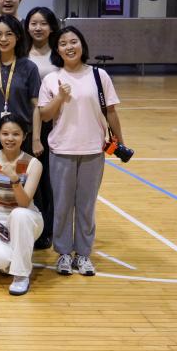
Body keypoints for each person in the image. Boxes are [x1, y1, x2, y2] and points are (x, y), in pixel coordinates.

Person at [38, 26, 125, 277]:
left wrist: (120, 142)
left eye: (73, 41)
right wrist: (59, 97)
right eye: (63, 43)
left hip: (93, 150)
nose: (69, 47)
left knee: (86, 206)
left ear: (82, 45)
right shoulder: (51, 79)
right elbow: (45, 115)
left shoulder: (99, 75)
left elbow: (111, 111)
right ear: (57, 50)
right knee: (63, 205)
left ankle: (84, 254)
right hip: (61, 150)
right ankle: (64, 253)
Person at [0, 14, 42, 239]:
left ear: (18, 37)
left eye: (8, 34)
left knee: (21, 181)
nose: (3, 39)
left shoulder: (29, 67)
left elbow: (36, 106)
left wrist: (36, 138)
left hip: (19, 135)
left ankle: (24, 228)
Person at [0, 114, 43, 296]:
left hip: (27, 218)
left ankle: (21, 276)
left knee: (18, 214)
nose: (10, 138)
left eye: (16, 134)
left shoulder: (33, 164)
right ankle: (18, 256)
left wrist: (14, 179)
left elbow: (24, 203)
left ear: (24, 136)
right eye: (5, 133)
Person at [25, 6, 61, 248]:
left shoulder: (60, 54)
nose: (38, 28)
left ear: (51, 27)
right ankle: (30, 225)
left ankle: (48, 229)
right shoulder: (21, 53)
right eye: (34, 23)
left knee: (48, 179)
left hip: (54, 123)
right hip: (25, 123)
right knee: (29, 177)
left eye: (43, 23)